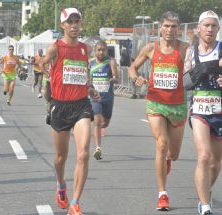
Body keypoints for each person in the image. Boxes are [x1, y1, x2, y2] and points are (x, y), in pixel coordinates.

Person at [40, 8, 100, 215]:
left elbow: (82, 73)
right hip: (60, 106)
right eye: (70, 22)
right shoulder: (55, 48)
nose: (74, 25)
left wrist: (90, 87)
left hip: (81, 105)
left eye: (77, 21)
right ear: (63, 25)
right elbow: (40, 64)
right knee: (60, 156)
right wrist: (47, 80)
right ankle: (61, 183)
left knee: (83, 153)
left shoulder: (86, 49)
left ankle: (75, 203)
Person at [129, 11, 189, 211]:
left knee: (174, 153)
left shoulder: (185, 49)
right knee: (161, 144)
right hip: (155, 103)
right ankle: (162, 194)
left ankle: (167, 161)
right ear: (160, 28)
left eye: (174, 26)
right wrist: (135, 78)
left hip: (178, 105)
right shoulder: (150, 49)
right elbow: (132, 68)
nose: (170, 30)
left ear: (178, 28)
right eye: (166, 26)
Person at [184, 10, 222, 215]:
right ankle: (205, 205)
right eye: (206, 25)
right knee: (204, 156)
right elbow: (185, 81)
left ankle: (205, 190)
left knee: (216, 163)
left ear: (218, 29)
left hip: (220, 110)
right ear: (198, 29)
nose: (209, 29)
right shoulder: (192, 52)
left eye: (213, 26)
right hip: (199, 109)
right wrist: (200, 72)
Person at [90, 40, 119, 160]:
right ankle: (98, 148)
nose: (101, 52)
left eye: (103, 50)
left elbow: (117, 78)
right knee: (96, 121)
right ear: (95, 51)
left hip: (108, 97)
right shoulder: (90, 63)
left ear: (106, 51)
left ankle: (97, 129)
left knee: (105, 124)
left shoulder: (111, 62)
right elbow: (86, 79)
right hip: (95, 97)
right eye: (99, 50)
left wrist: (110, 80)